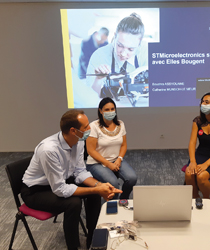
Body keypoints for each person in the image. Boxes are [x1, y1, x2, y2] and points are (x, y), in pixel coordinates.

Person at [21, 109, 122, 250]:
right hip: (35, 191)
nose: (90, 128)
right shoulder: (49, 150)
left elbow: (80, 172)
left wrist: (100, 186)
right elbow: (60, 189)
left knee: (93, 193)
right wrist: (97, 188)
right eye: (86, 126)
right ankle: (73, 247)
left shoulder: (79, 141)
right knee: (73, 203)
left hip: (59, 182)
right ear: (73, 130)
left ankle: (92, 239)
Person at [85, 13, 148, 98]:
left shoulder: (146, 53)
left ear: (139, 45)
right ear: (115, 36)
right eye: (120, 45)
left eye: (131, 49)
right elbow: (90, 98)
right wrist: (98, 80)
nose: (123, 53)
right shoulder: (99, 56)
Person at [86, 97, 137, 199]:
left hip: (116, 160)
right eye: (107, 110)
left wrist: (119, 159)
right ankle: (112, 207)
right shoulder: (93, 126)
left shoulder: (120, 124)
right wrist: (108, 164)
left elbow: (123, 145)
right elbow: (90, 150)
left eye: (112, 109)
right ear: (100, 111)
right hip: (97, 163)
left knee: (132, 178)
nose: (110, 112)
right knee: (113, 184)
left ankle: (123, 200)